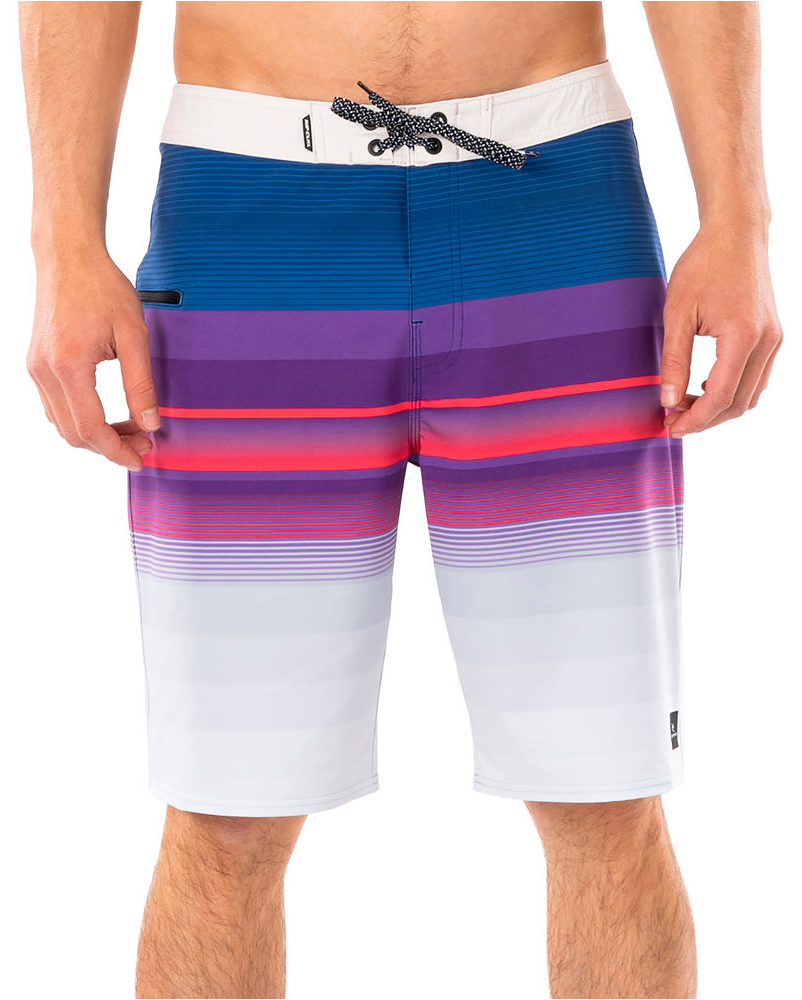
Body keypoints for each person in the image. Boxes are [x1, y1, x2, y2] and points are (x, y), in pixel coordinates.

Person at [19, 2, 782, 998]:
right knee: (226, 806)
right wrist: (62, 243)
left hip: (551, 200)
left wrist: (740, 217)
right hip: (248, 219)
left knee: (604, 786)